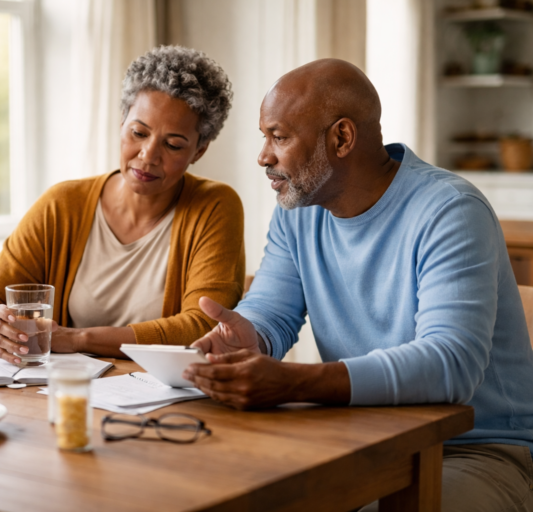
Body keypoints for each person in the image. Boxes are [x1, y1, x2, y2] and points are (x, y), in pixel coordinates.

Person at [182, 58, 533, 511]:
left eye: (279, 136)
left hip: (475, 449)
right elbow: (271, 310)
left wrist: (296, 383)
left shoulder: (450, 210)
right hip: (359, 435)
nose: (263, 156)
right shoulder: (298, 210)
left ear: (342, 138)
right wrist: (247, 336)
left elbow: (451, 365)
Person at [0, 46, 245, 361]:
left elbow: (202, 327)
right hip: (68, 392)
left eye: (173, 145)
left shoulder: (215, 206)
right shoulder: (62, 205)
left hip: (166, 400)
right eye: (138, 133)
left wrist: (77, 339)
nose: (148, 156)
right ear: (121, 122)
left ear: (199, 151)